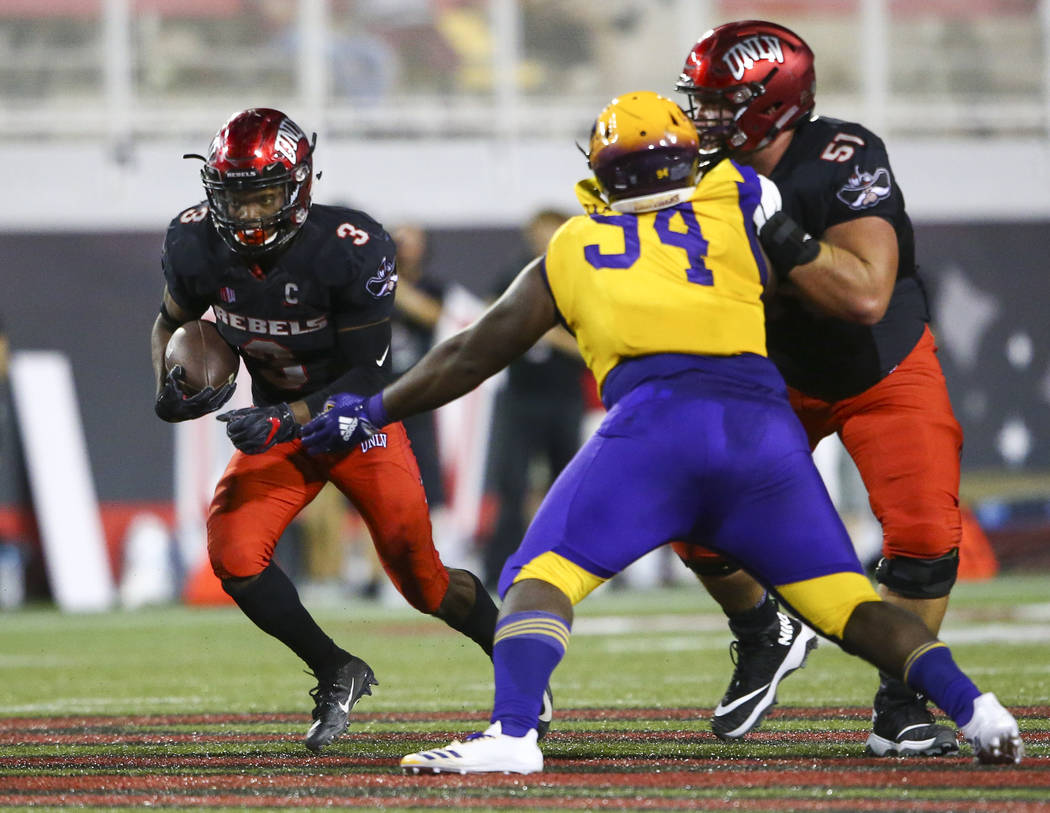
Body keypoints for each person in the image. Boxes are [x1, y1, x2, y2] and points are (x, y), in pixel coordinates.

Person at [299, 91, 1023, 773]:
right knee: (850, 605)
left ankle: (514, 732)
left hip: (654, 430)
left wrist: (373, 409)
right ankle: (979, 708)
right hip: (762, 430)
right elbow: (827, 281)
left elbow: (470, 352)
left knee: (538, 576)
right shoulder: (742, 204)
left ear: (601, 169)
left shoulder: (575, 244)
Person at [149, 107, 551, 753]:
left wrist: (285, 416)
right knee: (233, 552)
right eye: (237, 199)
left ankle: (510, 655)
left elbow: (369, 376)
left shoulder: (349, 246)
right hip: (280, 424)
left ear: (300, 186)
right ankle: (336, 667)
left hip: (357, 424)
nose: (249, 216)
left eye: (264, 197)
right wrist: (168, 388)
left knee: (424, 583)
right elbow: (168, 325)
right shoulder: (194, 242)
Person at [672, 21, 971, 756]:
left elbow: (866, 294)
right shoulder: (699, 172)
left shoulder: (842, 156)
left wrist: (778, 232)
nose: (703, 117)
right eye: (698, 101)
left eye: (720, 102)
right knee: (685, 503)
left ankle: (900, 705)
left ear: (772, 100)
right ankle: (762, 630)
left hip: (881, 366)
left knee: (925, 537)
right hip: (775, 371)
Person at [482, 209, 586, 589]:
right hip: (520, 397)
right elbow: (486, 327)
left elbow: (591, 348)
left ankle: (574, 568)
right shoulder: (514, 275)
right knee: (511, 485)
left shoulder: (581, 278)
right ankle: (500, 569)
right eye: (538, 233)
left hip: (563, 396)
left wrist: (546, 332)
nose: (543, 239)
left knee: (568, 484)